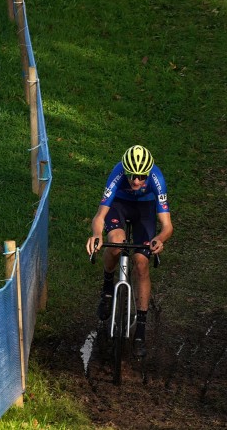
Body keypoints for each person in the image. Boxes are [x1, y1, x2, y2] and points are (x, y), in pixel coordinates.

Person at [86, 145, 173, 357]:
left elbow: (167, 226)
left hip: (145, 209)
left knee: (142, 263)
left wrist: (160, 239)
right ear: (125, 171)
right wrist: (97, 235)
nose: (136, 181)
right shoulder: (116, 174)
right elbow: (99, 216)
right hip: (120, 205)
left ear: (148, 174)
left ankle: (141, 328)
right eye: (132, 176)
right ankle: (107, 288)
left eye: (142, 177)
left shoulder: (157, 179)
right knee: (115, 242)